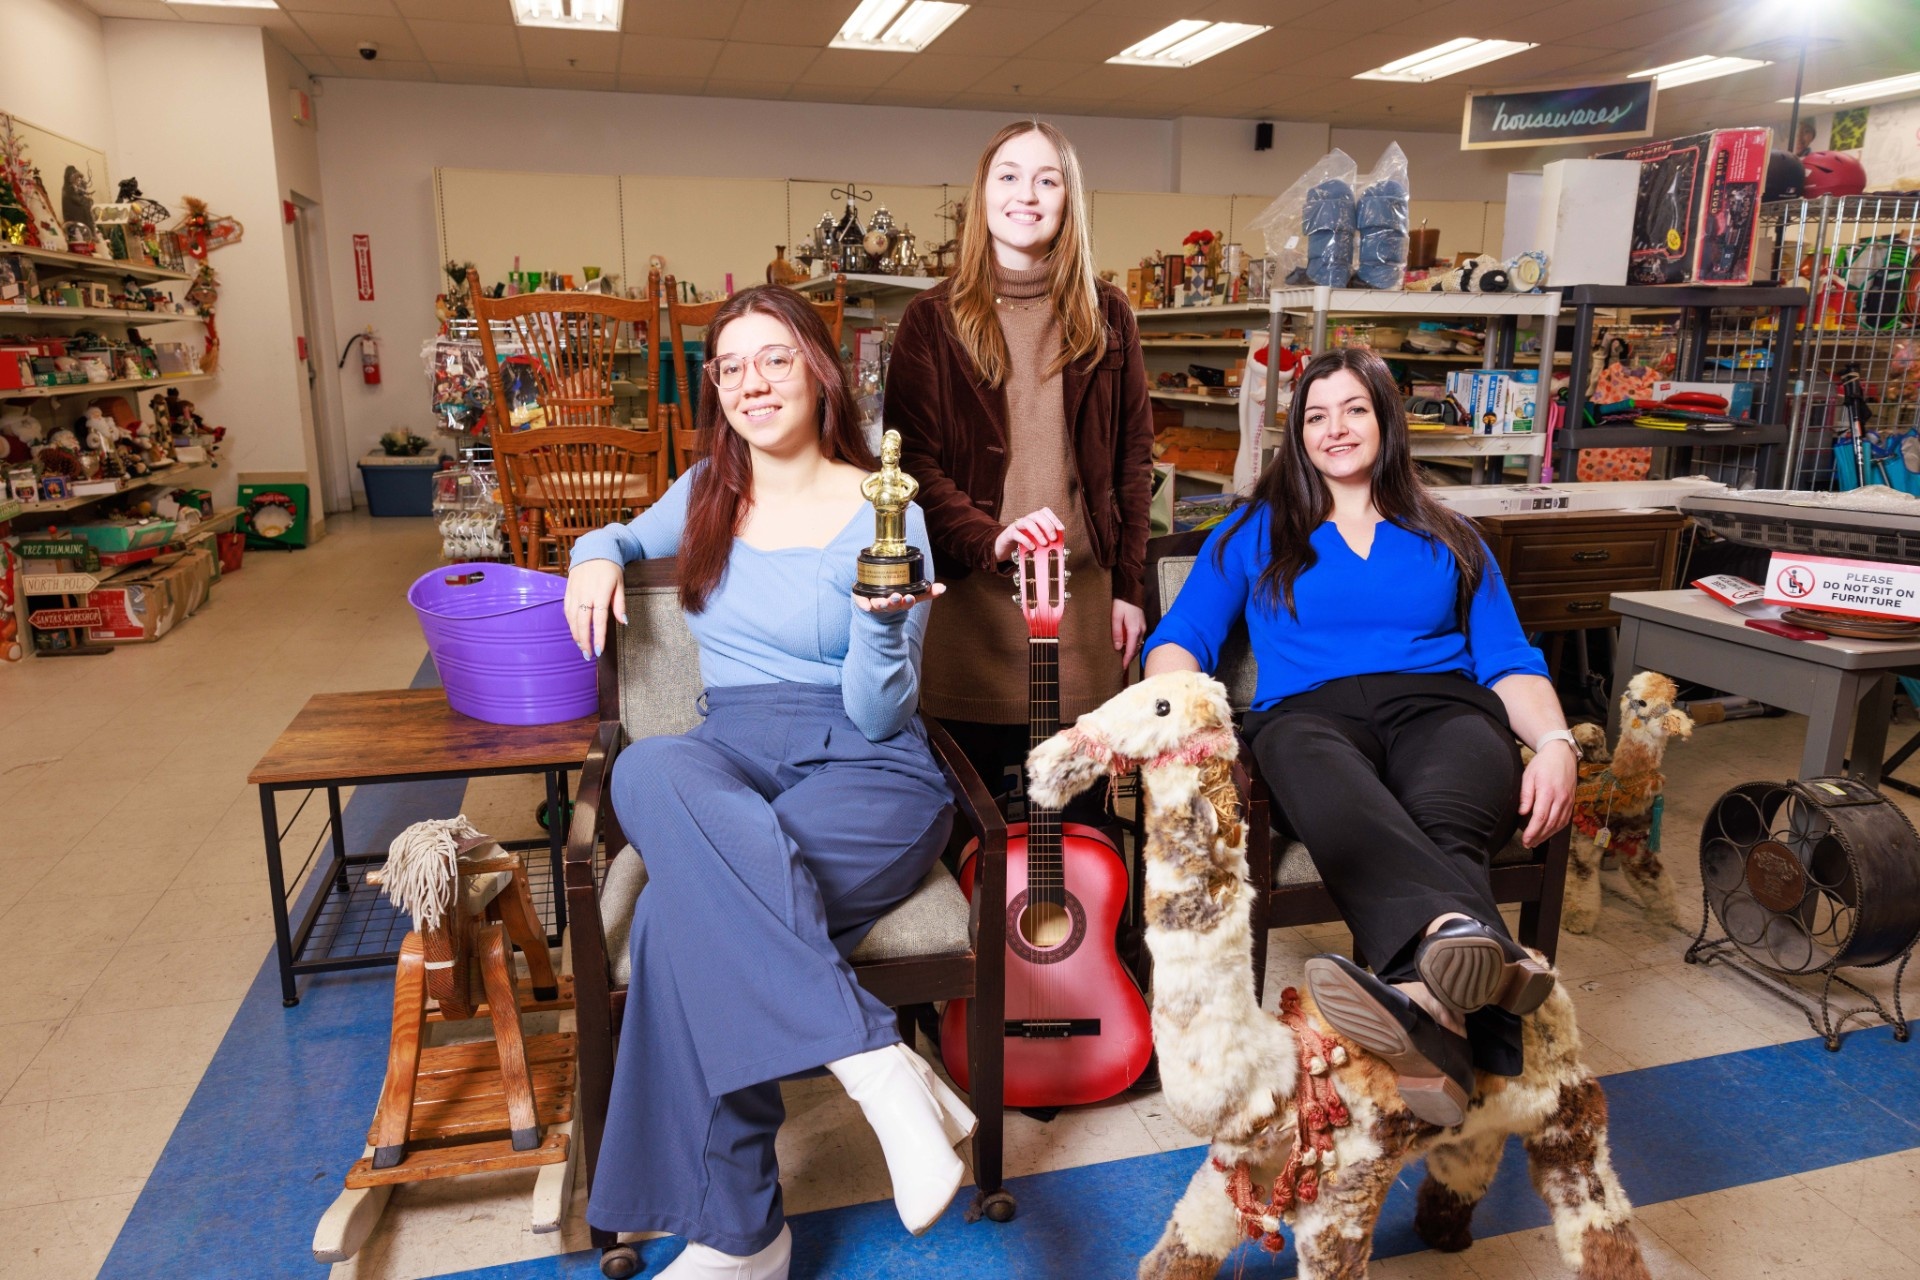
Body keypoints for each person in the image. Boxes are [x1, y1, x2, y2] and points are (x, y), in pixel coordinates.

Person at [563, 285, 969, 1280]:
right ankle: (881, 1067)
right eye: (731, 366)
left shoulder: (888, 506)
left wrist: (881, 630)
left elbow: (881, 713)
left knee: (670, 924)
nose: (751, 382)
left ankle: (741, 1234)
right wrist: (589, 554)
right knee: (652, 763)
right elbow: (620, 536)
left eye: (774, 358)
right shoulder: (706, 487)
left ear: (819, 368)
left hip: (866, 764)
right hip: (732, 747)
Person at [1142, 347, 1578, 1129]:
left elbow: (1510, 660)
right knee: (1320, 779)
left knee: (1450, 814)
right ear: (1295, 434)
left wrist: (1555, 744)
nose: (1334, 429)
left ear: (1385, 420)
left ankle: (1425, 1007)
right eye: (1315, 416)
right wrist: (1185, 710)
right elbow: (1181, 639)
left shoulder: (1451, 534)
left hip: (1445, 709)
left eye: (1352, 410)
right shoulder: (1252, 530)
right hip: (1309, 716)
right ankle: (1475, 955)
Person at [886, 120, 1156, 814]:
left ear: (1069, 200)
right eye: (1008, 176)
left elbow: (1132, 461)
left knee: (1079, 828)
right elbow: (912, 466)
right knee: (974, 832)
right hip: (970, 614)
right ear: (981, 195)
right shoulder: (932, 319)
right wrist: (990, 536)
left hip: (1082, 612)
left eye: (1047, 178)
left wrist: (1130, 587)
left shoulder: (1109, 314)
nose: (1026, 194)